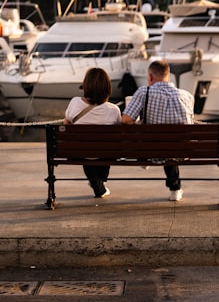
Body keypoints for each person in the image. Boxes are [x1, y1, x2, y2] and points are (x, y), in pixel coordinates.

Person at [121, 59, 194, 201]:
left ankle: (143, 158)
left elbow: (126, 120)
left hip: (150, 148)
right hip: (181, 149)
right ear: (168, 75)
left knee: (145, 131)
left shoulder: (144, 92)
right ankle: (175, 189)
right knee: (170, 146)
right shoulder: (187, 96)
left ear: (150, 76)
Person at [64, 67, 122, 198]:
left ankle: (96, 182)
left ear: (86, 85)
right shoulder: (113, 110)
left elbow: (66, 125)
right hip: (105, 154)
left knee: (86, 149)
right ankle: (99, 181)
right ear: (107, 87)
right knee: (105, 147)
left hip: (79, 153)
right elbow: (118, 133)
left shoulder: (74, 102)